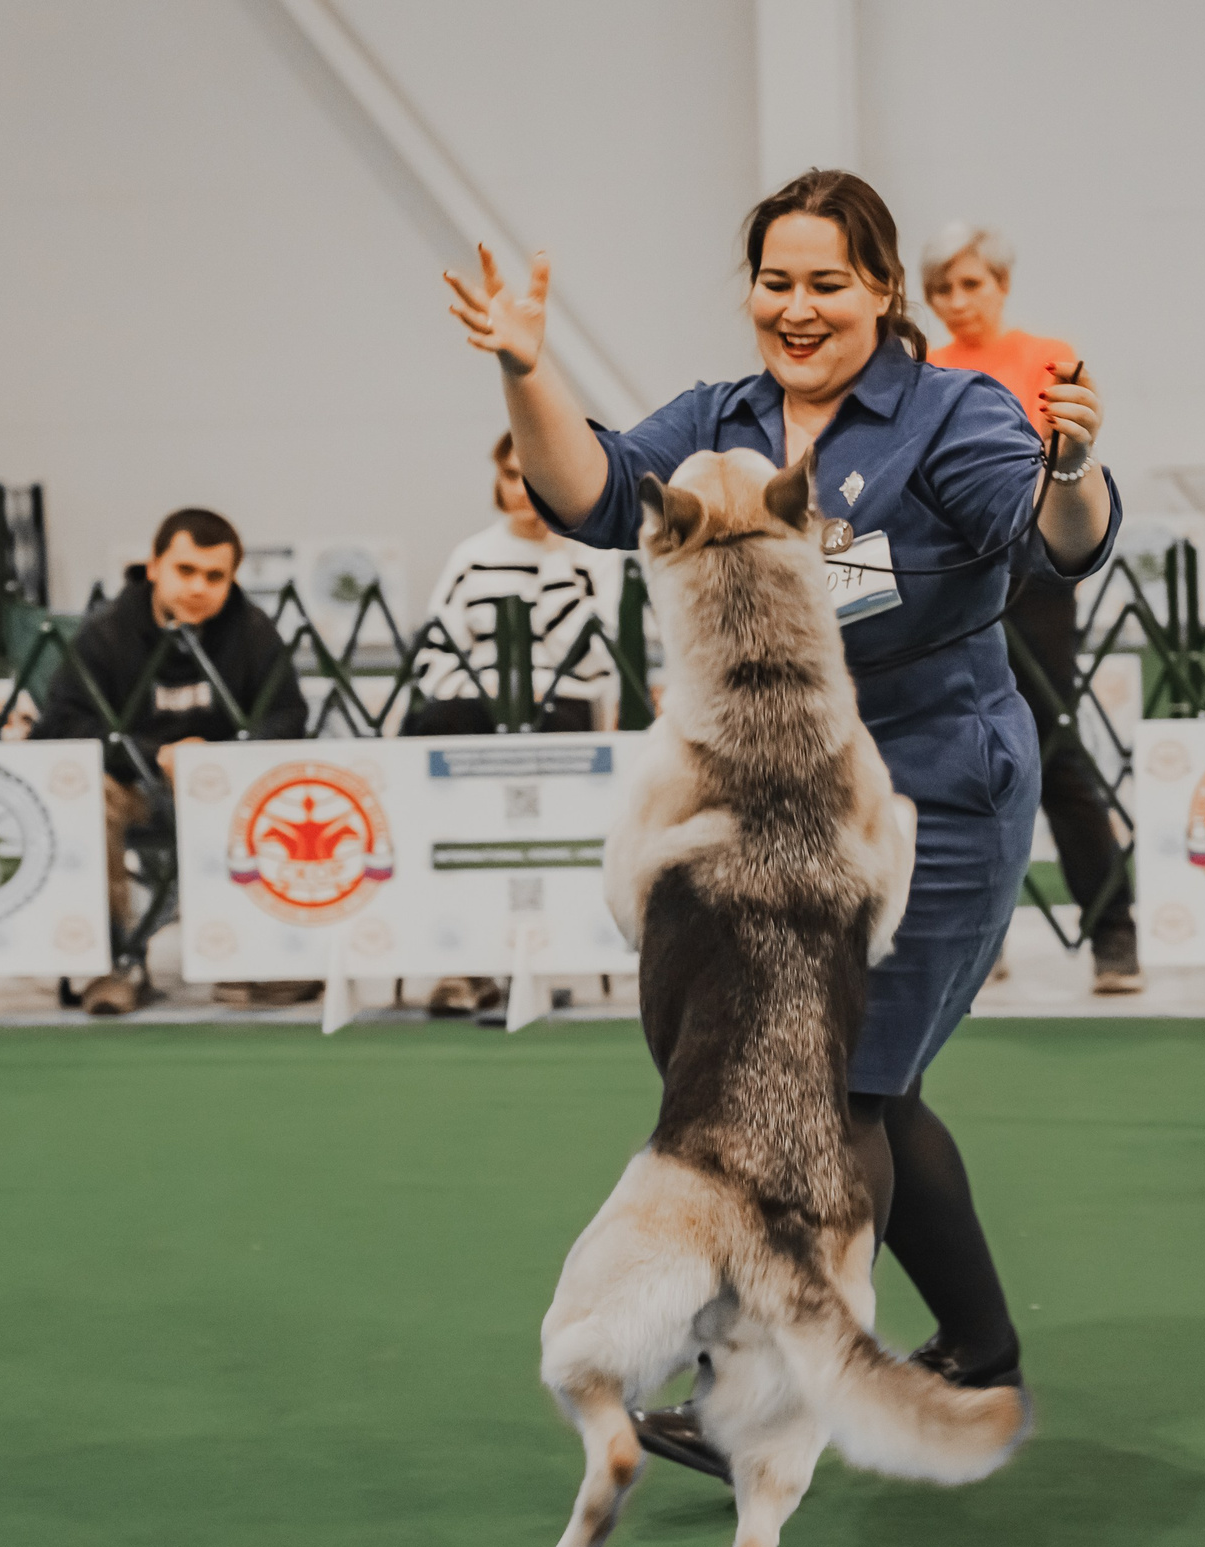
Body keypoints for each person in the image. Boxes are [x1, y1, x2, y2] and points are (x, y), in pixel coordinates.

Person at [441, 168, 1121, 1457]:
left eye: (826, 283)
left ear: (883, 290)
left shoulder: (951, 413)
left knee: (841, 1087)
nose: (796, 308)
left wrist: (1073, 466)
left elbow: (1059, 539)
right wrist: (525, 367)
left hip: (931, 794)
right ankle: (980, 1346)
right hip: (774, 802)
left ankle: (759, 1393)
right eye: (774, 281)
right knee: (876, 1087)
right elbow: (590, 494)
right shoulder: (720, 417)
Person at [922, 222, 1142, 993]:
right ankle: (977, 940)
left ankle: (1114, 932)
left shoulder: (1048, 358)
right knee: (954, 758)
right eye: (942, 288)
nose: (957, 300)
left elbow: (1065, 468)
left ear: (1002, 286)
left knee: (1054, 751)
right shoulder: (921, 368)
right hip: (950, 580)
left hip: (1034, 575)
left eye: (971, 284)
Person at [32, 507, 315, 1014]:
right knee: (89, 800)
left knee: (289, 797)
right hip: (131, 785)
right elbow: (61, 726)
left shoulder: (252, 632)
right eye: (186, 570)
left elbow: (288, 715)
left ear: (232, 579)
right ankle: (116, 961)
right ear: (154, 565)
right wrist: (153, 755)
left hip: (224, 790)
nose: (199, 587)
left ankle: (254, 956)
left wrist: (219, 761)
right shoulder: (106, 634)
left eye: (215, 576)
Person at [407, 431, 622, 739]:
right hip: (476, 703)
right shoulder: (472, 556)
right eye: (510, 475)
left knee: (559, 727)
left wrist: (555, 556)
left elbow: (593, 661)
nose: (521, 490)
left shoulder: (596, 556)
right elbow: (434, 654)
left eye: (536, 477)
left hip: (565, 703)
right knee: (441, 721)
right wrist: (482, 691)